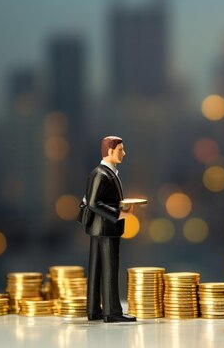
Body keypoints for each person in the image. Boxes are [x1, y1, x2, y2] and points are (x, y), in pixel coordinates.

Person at [83, 136, 136, 323]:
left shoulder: (106, 172)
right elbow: (93, 203)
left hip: (100, 228)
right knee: (109, 269)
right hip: (106, 228)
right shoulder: (101, 173)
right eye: (121, 149)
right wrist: (119, 214)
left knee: (97, 268)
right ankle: (112, 312)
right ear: (111, 151)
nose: (124, 153)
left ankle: (94, 310)